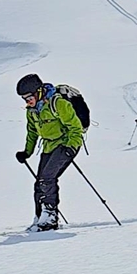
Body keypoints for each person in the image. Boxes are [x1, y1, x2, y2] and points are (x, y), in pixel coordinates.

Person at [15, 73, 84, 232]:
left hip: (66, 143)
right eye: (24, 99)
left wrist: (71, 147)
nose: (27, 101)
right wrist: (26, 152)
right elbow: (32, 132)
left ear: (38, 92)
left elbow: (76, 128)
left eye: (29, 97)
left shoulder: (58, 103)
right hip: (49, 146)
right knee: (39, 182)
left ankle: (50, 217)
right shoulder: (31, 111)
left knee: (47, 178)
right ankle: (39, 217)